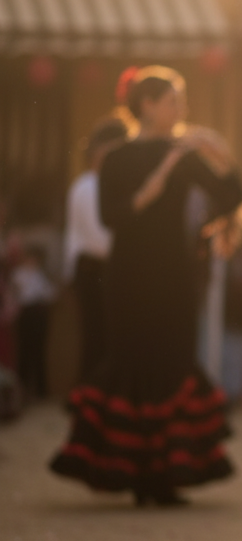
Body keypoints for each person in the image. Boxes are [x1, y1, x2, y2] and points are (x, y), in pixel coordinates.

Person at [50, 66, 242, 506]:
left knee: (173, 359)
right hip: (128, 277)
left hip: (174, 275)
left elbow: (232, 196)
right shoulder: (119, 158)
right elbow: (111, 217)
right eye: (174, 100)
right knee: (131, 360)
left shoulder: (184, 153)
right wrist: (154, 184)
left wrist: (221, 154)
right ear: (148, 105)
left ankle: (165, 476)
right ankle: (134, 475)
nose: (183, 109)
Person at [63, 117, 129, 380]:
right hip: (94, 269)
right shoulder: (88, 186)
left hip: (99, 268)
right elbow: (102, 240)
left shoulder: (99, 185)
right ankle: (88, 402)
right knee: (98, 339)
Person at [11, 244, 56, 400]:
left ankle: (41, 390)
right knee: (25, 351)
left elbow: (50, 294)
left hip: (38, 314)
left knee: (38, 351)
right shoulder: (18, 275)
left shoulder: (41, 275)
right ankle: (23, 391)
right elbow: (20, 295)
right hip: (26, 314)